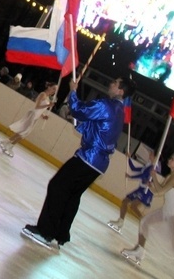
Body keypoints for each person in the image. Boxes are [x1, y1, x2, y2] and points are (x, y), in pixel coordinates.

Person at [22, 76, 132, 250]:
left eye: (115, 83)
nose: (111, 83)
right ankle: (60, 235)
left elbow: (79, 110)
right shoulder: (120, 112)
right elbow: (98, 128)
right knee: (72, 195)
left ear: (120, 90)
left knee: (57, 186)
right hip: (99, 164)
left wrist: (73, 91)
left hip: (88, 158)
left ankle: (46, 231)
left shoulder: (107, 106)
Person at [121, 154, 174, 278]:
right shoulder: (170, 176)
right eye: (170, 158)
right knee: (145, 221)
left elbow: (160, 191)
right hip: (166, 210)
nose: (169, 160)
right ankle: (139, 250)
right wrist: (151, 184)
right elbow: (158, 191)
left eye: (172, 159)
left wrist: (154, 176)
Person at [0, 81, 58, 157]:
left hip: (36, 116)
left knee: (24, 133)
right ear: (49, 87)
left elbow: (40, 110)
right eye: (53, 88)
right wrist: (48, 105)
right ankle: (9, 144)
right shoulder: (42, 94)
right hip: (32, 114)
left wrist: (43, 116)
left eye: (55, 90)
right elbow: (37, 106)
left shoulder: (48, 98)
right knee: (23, 132)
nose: (54, 91)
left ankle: (7, 143)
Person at [106, 151, 160, 233]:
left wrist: (130, 177)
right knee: (126, 202)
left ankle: (145, 223)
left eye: (151, 154)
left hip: (146, 191)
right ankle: (121, 221)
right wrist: (129, 158)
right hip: (141, 189)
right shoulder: (148, 165)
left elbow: (143, 176)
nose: (149, 155)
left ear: (156, 157)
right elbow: (133, 168)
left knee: (132, 206)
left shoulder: (153, 167)